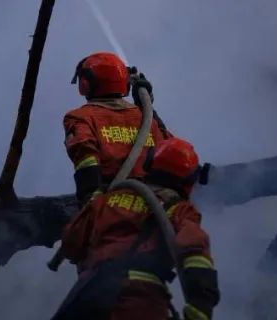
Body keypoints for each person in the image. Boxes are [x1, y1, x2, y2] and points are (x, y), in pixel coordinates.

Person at [52, 137, 220, 320]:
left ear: (149, 165)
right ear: (189, 180)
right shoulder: (179, 209)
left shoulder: (106, 199)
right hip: (138, 300)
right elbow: (195, 252)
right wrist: (199, 310)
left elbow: (71, 243)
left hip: (88, 294)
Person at [63, 52, 175, 203]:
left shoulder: (80, 117)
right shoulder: (144, 116)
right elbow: (171, 148)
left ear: (85, 84)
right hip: (155, 202)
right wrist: (146, 107)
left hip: (113, 202)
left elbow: (86, 159)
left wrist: (92, 202)